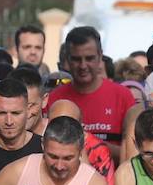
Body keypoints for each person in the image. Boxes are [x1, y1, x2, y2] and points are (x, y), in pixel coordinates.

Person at [45, 26, 137, 162]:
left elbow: (132, 154)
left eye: (89, 58)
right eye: (76, 59)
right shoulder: (54, 99)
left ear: (100, 56)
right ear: (67, 60)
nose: (83, 65)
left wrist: (90, 143)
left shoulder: (123, 96)